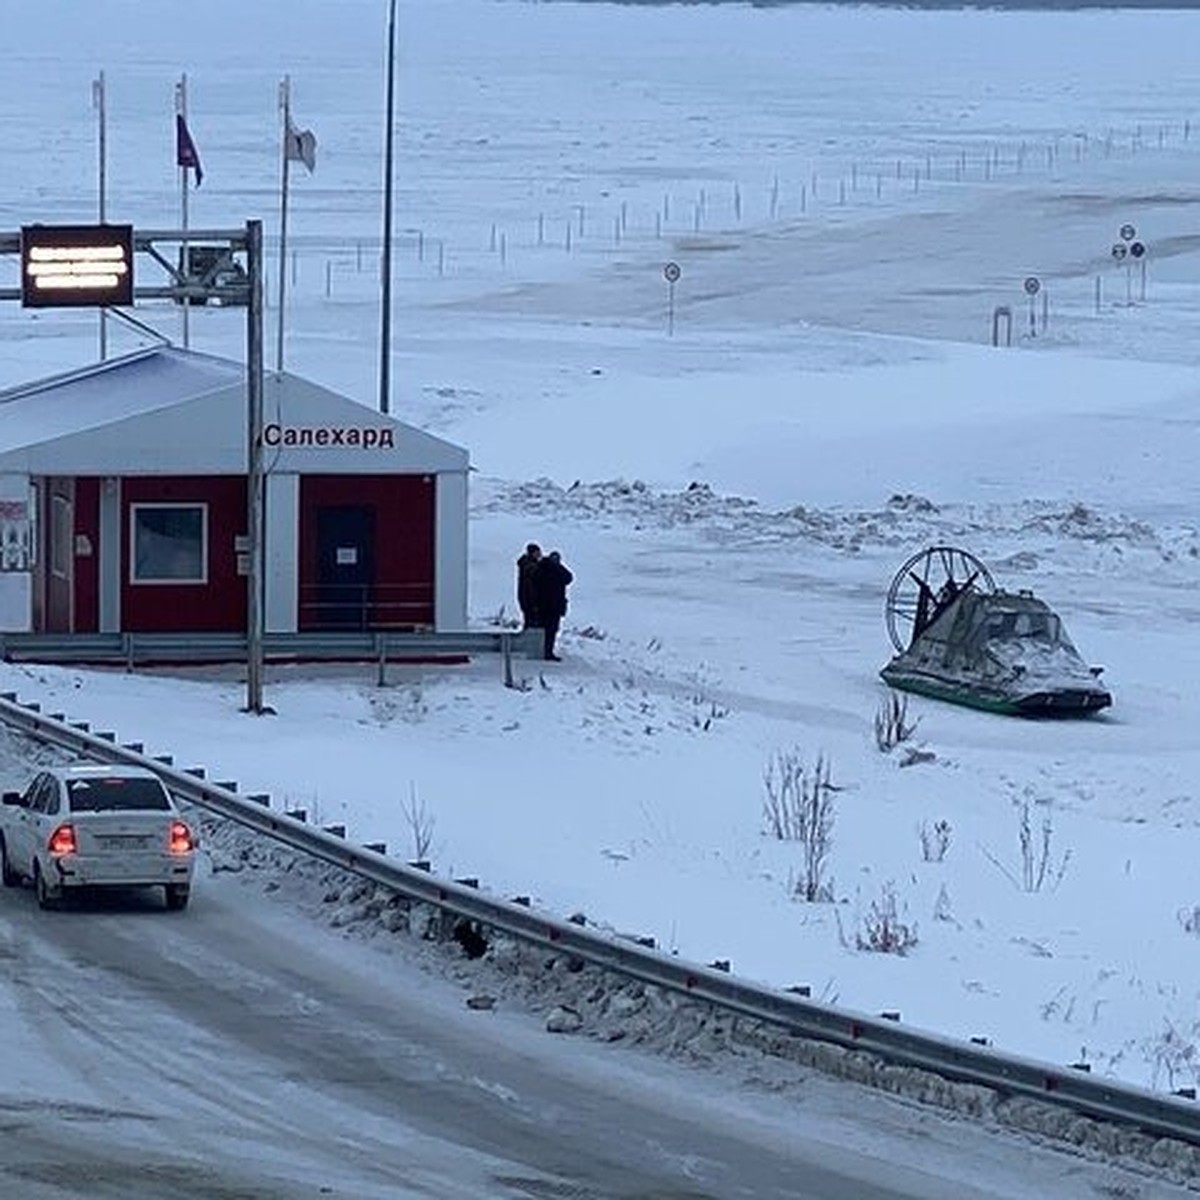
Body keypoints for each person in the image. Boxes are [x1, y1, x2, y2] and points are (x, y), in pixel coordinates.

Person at [533, 550, 573, 661]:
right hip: (550, 607)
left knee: (546, 631)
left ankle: (544, 652)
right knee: (549, 631)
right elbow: (568, 577)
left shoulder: (542, 568)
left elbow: (569, 578)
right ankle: (546, 652)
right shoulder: (553, 571)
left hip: (545, 606)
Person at [515, 543, 542, 630]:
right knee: (531, 624)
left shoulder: (526, 564)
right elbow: (530, 586)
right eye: (537, 553)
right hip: (530, 600)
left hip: (527, 599)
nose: (539, 555)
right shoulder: (529, 566)